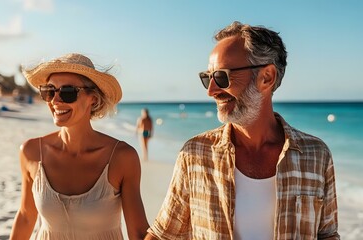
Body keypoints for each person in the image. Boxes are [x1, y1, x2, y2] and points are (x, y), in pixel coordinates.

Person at [145, 21, 340, 239]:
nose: (211, 91)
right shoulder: (195, 154)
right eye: (207, 78)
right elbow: (162, 235)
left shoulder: (316, 155)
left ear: (266, 77)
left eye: (221, 77)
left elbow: (327, 235)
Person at [10, 53, 149, 239]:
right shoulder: (31, 152)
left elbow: (139, 233)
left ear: (93, 99)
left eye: (68, 92)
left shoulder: (122, 158)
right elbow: (26, 217)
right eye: (49, 91)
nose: (55, 101)